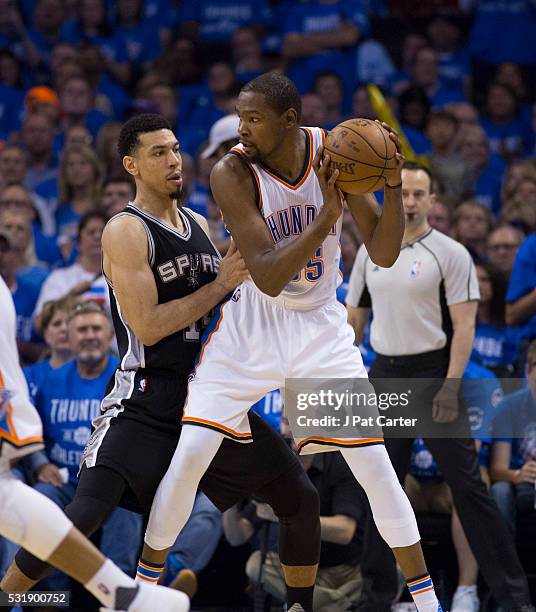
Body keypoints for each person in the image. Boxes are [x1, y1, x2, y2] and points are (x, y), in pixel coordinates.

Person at [142, 73, 442, 612]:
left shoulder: (335, 151)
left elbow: (385, 251)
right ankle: (143, 593)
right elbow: (268, 276)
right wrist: (328, 215)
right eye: (240, 116)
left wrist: (391, 183)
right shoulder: (230, 171)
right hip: (252, 327)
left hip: (321, 331)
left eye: (253, 118)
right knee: (188, 457)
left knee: (374, 466)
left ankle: (428, 602)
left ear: (288, 120)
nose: (242, 128)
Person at [1, 113, 323, 612]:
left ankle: (298, 606)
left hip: (207, 394)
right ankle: (10, 598)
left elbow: (223, 303)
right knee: (86, 512)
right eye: (158, 153)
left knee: (299, 499)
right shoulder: (125, 230)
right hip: (147, 397)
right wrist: (222, 282)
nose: (174, 160)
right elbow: (148, 326)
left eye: (175, 149)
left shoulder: (196, 223)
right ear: (131, 164)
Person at [345, 161, 533, 612]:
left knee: (470, 490)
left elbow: (465, 328)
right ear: (393, 197)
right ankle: (375, 598)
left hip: (435, 373)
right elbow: (353, 320)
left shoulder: (451, 253)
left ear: (432, 200)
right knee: (381, 489)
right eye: (402, 193)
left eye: (418, 194)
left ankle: (514, 597)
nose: (409, 201)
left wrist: (450, 388)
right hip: (385, 375)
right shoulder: (371, 252)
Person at [0, 275, 189, 612]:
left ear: (110, 336)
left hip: (106, 478)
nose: (89, 336)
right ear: (69, 338)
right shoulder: (46, 376)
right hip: (60, 480)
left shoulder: (128, 377)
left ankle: (128, 588)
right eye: (81, 329)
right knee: (23, 496)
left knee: (122, 501)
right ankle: (57, 602)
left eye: (95, 329)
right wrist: (40, 462)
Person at [224, 452, 365, 612]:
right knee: (256, 565)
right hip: (298, 569)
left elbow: (344, 531)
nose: (287, 430)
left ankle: (312, 603)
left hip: (344, 569)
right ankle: (335, 603)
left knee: (384, 571)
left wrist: (288, 515)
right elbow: (237, 537)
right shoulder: (277, 469)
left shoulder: (339, 462)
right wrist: (229, 502)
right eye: (285, 425)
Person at [489, 339, 536, 535]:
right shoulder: (509, 406)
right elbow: (497, 470)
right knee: (500, 490)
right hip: (522, 483)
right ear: (528, 370)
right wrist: (517, 475)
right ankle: (504, 563)